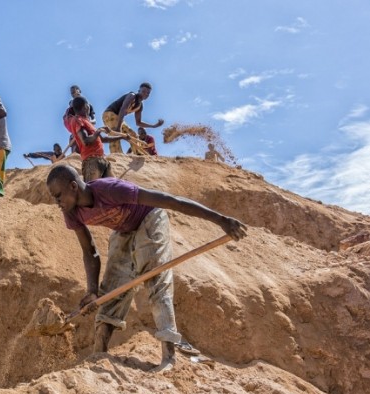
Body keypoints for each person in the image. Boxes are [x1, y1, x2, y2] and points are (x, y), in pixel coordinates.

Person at [46, 165, 247, 372]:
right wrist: (92, 291)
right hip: (123, 229)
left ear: (73, 186)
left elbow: (171, 201)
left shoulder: (111, 190)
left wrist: (221, 220)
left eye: (58, 196)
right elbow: (90, 252)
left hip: (149, 218)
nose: (57, 202)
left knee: (155, 277)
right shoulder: (71, 213)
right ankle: (99, 353)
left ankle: (169, 357)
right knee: (111, 288)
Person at [65, 96, 128, 181]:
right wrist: (98, 131)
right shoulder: (78, 120)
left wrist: (122, 137)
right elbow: (85, 141)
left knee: (113, 188)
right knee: (93, 190)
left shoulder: (87, 121)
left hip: (102, 160)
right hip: (91, 161)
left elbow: (103, 139)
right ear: (86, 107)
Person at [102, 82, 165, 154]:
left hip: (119, 118)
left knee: (133, 135)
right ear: (139, 91)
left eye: (148, 93)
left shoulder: (139, 106)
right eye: (144, 91)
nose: (145, 94)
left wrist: (153, 126)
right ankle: (116, 155)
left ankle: (138, 154)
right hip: (110, 114)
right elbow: (123, 109)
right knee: (115, 133)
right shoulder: (132, 96)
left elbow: (138, 122)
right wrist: (119, 127)